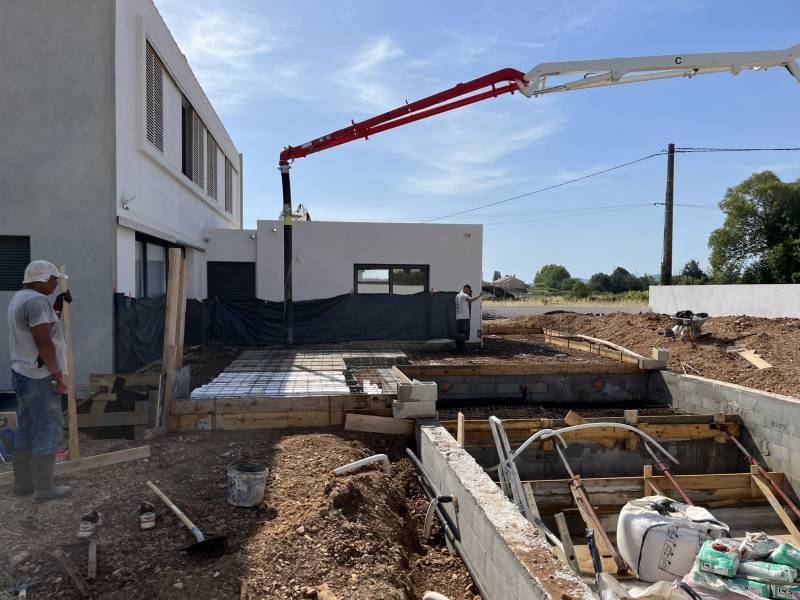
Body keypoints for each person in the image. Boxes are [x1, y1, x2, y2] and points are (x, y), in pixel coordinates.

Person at [8, 260, 73, 502]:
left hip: (22, 373)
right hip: (40, 376)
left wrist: (55, 308)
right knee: (47, 428)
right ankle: (45, 489)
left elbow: (39, 329)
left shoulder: (21, 298)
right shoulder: (37, 302)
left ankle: (23, 484)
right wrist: (57, 373)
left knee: (26, 428)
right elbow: (43, 342)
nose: (56, 283)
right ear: (41, 279)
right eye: (53, 279)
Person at [455, 284, 481, 349]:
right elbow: (471, 300)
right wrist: (479, 296)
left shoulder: (457, 295)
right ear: (466, 288)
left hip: (458, 317)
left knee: (459, 332)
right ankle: (461, 347)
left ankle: (458, 346)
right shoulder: (464, 295)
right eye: (468, 290)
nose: (469, 292)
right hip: (463, 317)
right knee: (462, 333)